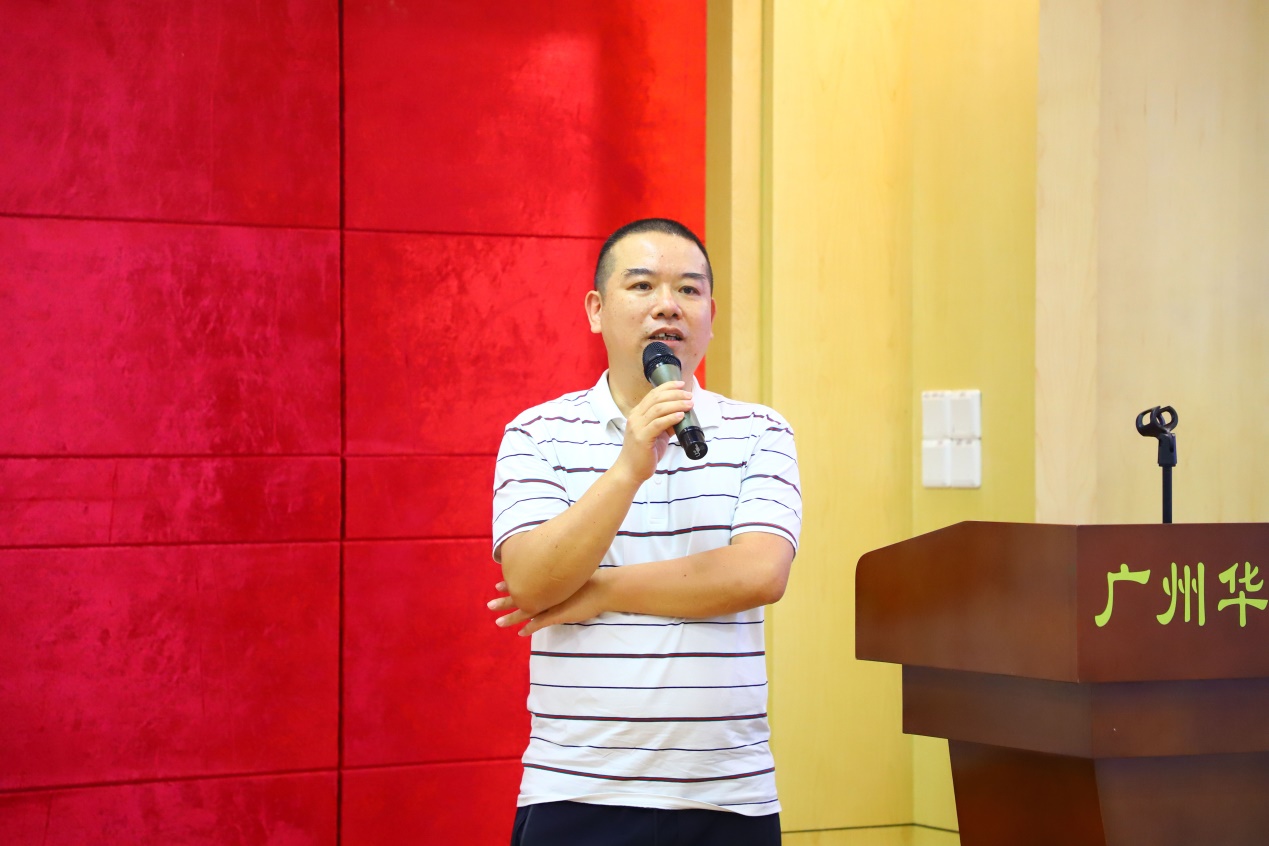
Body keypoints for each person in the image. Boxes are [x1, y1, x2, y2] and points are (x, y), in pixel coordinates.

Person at [487, 218, 802, 846]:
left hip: (727, 795)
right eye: (642, 285)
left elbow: (758, 573)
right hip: (577, 790)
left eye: (689, 290)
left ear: (711, 315)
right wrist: (629, 466)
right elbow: (530, 581)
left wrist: (599, 590)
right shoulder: (536, 434)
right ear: (596, 310)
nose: (668, 305)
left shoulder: (761, 432)